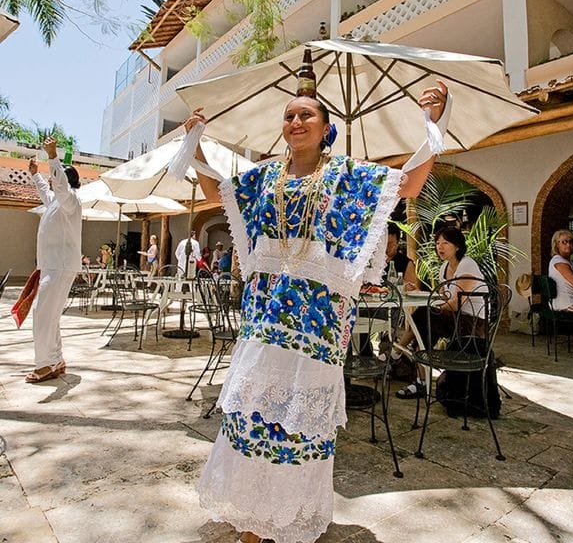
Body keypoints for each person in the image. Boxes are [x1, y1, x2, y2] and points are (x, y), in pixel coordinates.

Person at [185, 81, 450, 543]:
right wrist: (196, 140)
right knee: (252, 411)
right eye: (289, 116)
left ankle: (286, 514)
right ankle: (251, 513)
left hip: (320, 320)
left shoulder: (347, 175)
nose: (296, 122)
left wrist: (433, 123)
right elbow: (217, 192)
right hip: (264, 315)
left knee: (299, 420)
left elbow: (407, 183)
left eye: (307, 115)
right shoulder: (265, 177)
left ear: (326, 128)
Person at [395, 225, 487, 399]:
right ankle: (418, 379)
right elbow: (444, 299)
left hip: (473, 322)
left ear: (457, 246)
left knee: (424, 315)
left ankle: (398, 354)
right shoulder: (443, 268)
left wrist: (434, 304)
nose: (440, 247)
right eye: (437, 243)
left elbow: (456, 304)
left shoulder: (467, 264)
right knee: (424, 328)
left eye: (446, 243)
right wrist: (421, 293)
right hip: (453, 319)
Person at [25, 137, 82, 383]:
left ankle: (44, 365)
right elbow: (47, 191)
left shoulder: (71, 200)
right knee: (51, 315)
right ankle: (56, 360)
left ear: (67, 183)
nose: (51, 181)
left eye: (57, 178)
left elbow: (57, 186)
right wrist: (35, 175)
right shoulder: (57, 203)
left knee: (42, 312)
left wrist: (52, 156)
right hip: (53, 265)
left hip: (60, 266)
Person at [548, 229, 573, 313]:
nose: (568, 244)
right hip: (567, 303)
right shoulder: (559, 261)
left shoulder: (567, 261)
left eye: (571, 241)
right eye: (564, 242)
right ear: (557, 244)